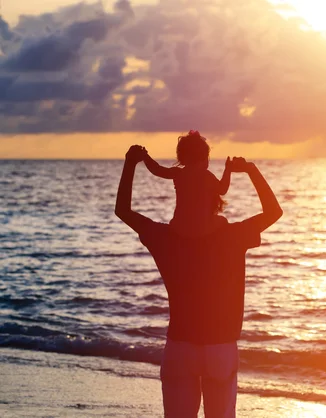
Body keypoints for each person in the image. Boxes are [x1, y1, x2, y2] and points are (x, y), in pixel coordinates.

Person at [115, 145, 283, 418]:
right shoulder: (233, 235)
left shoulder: (165, 237)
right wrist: (250, 170)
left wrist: (132, 163)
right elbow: (273, 212)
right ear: (214, 200)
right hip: (221, 348)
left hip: (180, 347)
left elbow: (123, 210)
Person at [143, 130, 232, 237]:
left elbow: (157, 170)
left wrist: (145, 156)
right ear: (204, 157)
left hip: (179, 227)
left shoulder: (178, 173)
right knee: (223, 221)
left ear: (182, 157)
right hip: (203, 229)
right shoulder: (207, 175)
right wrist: (228, 169)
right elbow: (222, 190)